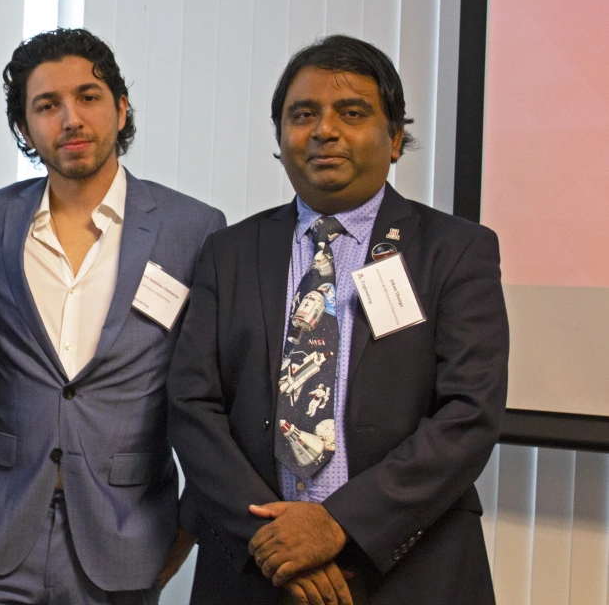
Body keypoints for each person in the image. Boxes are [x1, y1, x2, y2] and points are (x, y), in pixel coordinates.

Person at [168, 34, 508, 605]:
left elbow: (469, 413)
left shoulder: (454, 250)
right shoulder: (229, 252)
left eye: (352, 113)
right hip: (254, 568)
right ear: (280, 140)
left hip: (409, 566)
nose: (325, 130)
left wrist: (337, 526)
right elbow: (191, 404)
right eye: (303, 115)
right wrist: (274, 539)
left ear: (395, 138)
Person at [0, 28, 226, 604]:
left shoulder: (192, 229)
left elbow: (210, 393)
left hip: (126, 534)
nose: (70, 118)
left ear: (120, 107)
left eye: (88, 97)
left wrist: (189, 524)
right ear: (24, 127)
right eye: (47, 105)